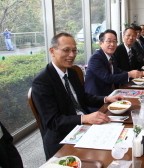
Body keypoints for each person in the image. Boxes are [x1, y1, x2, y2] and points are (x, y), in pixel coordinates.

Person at [32, 32, 123, 160]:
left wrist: (106, 99)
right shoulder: (42, 81)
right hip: (62, 137)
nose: (72, 55)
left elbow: (82, 98)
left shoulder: (72, 72)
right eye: (66, 50)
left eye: (74, 50)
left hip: (83, 127)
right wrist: (84, 119)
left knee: (119, 143)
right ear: (52, 51)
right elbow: (53, 122)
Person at [85, 29, 144, 111]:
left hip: (112, 96)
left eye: (114, 41)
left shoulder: (111, 57)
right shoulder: (96, 58)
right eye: (109, 41)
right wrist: (129, 74)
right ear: (101, 43)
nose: (112, 44)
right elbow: (107, 78)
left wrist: (136, 74)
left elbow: (117, 72)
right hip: (98, 101)